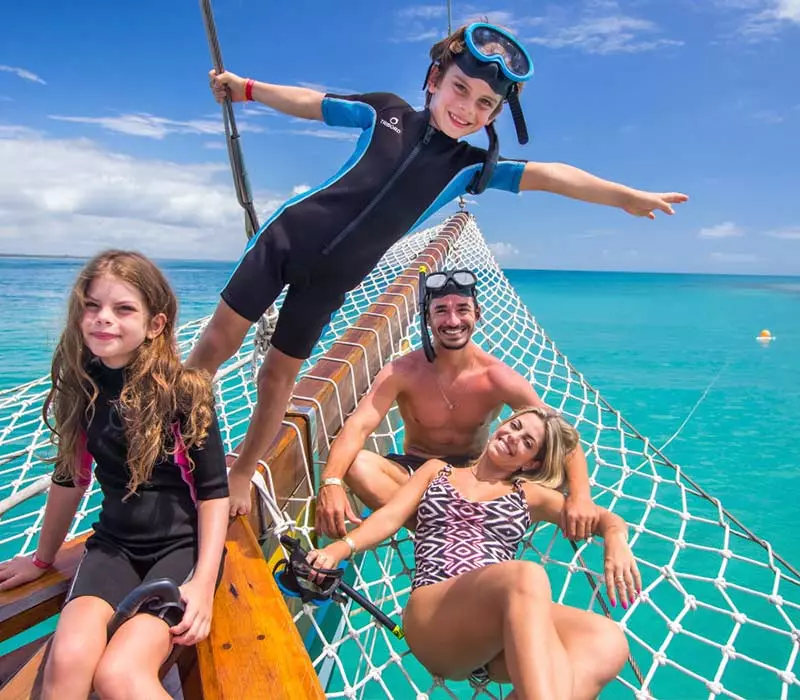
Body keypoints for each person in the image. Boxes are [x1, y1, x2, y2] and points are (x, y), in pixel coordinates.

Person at [187, 22, 688, 518]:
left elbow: (553, 175)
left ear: (494, 115)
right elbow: (311, 102)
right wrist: (246, 90)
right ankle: (165, 438)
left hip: (330, 283)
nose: (467, 109)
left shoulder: (470, 168)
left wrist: (625, 198)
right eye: (460, 89)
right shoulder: (384, 111)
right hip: (283, 240)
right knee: (214, 346)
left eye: (485, 104)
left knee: (277, 379)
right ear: (434, 80)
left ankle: (239, 473)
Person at [0, 251, 229, 700]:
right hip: (113, 547)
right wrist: (42, 560)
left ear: (155, 325)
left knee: (119, 674)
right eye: (92, 305)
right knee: (67, 661)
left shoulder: (184, 393)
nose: (103, 318)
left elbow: (213, 493)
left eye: (123, 309)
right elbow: (70, 478)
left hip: (182, 550)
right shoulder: (81, 386)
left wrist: (202, 584)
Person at [307, 406, 640, 700]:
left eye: (527, 443)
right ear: (501, 425)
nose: (514, 438)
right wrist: (340, 549)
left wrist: (616, 539)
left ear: (531, 463)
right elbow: (391, 517)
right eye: (515, 427)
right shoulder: (438, 471)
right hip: (435, 617)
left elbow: (604, 519)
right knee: (525, 574)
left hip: (497, 641)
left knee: (608, 641)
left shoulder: (531, 496)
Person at [315, 268, 598, 541]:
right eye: (441, 311)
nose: (452, 321)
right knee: (358, 465)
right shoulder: (401, 371)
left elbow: (560, 436)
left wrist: (581, 496)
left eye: (462, 309)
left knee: (548, 495)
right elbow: (359, 425)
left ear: (477, 315)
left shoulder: (497, 377)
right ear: (428, 319)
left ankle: (443, 526)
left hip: (476, 476)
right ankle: (449, 532)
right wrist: (331, 482)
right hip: (414, 475)